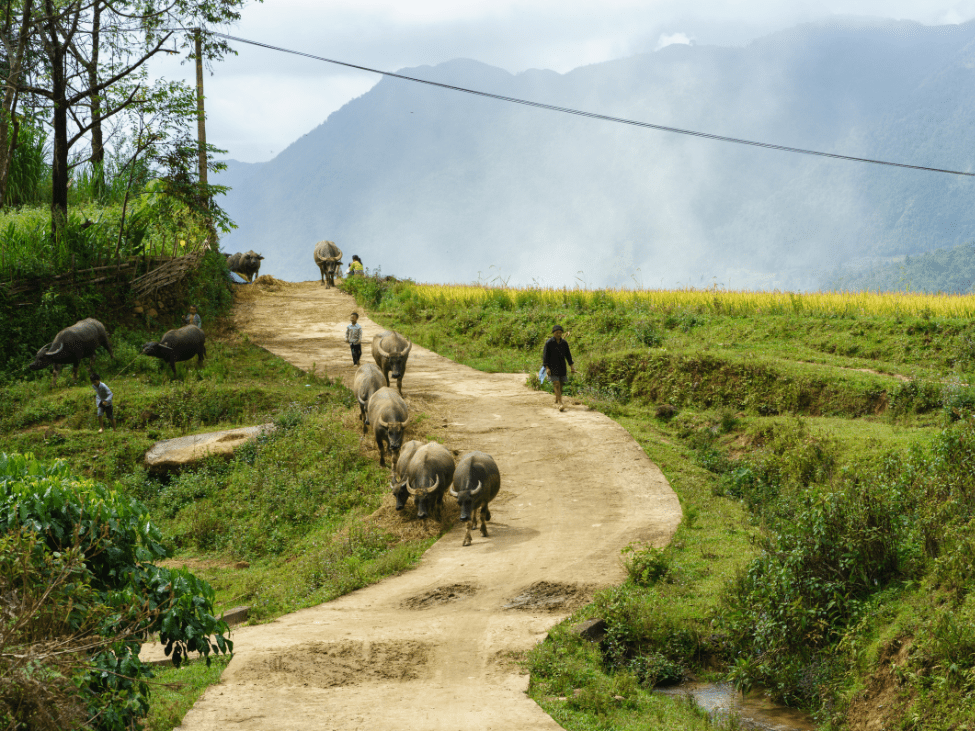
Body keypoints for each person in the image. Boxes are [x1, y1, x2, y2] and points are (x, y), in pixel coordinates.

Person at [542, 325, 575, 412]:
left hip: (562, 366)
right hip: (552, 367)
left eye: (560, 332)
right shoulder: (549, 343)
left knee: (561, 384)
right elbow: (545, 356)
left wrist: (572, 366)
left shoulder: (564, 343)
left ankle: (557, 398)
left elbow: (568, 355)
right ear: (553, 333)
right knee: (556, 383)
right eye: (557, 333)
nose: (559, 334)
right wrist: (547, 368)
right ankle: (560, 402)